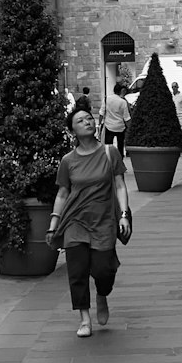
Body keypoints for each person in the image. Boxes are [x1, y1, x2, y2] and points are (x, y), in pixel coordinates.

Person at [46, 107, 131, 337]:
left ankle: (102, 294)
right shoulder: (68, 161)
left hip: (104, 221)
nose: (87, 122)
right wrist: (54, 225)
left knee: (103, 271)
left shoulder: (109, 152)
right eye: (80, 120)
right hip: (75, 221)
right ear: (72, 130)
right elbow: (63, 194)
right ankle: (84, 318)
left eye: (89, 118)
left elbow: (121, 185)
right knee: (77, 271)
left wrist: (123, 214)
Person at [102, 81, 130, 152]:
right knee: (120, 146)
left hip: (109, 126)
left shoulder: (106, 99)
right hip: (120, 126)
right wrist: (130, 128)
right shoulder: (123, 102)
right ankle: (120, 158)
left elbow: (101, 113)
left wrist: (100, 124)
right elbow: (126, 117)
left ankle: (109, 159)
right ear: (121, 91)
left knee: (108, 146)